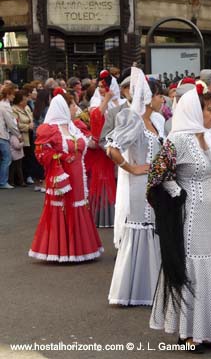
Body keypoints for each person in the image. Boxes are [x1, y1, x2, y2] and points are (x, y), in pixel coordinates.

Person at [148, 85, 211, 351]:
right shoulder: (178, 141)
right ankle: (187, 334)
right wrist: (177, 194)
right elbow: (156, 176)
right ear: (195, 111)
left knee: (210, 262)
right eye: (209, 109)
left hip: (210, 209)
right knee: (193, 266)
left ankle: (208, 330)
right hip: (190, 213)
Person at [106, 68, 165, 306]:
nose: (164, 100)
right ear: (150, 97)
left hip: (154, 185)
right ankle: (133, 290)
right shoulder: (134, 118)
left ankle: (151, 287)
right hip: (140, 186)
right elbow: (111, 147)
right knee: (140, 230)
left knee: (153, 229)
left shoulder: (155, 120)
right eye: (161, 95)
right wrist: (131, 168)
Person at [29, 89, 103, 262]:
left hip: (78, 175)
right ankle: (63, 250)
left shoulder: (74, 126)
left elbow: (91, 144)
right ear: (63, 107)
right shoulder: (50, 130)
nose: (75, 108)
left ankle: (79, 249)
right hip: (61, 175)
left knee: (79, 205)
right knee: (63, 207)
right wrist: (60, 157)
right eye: (71, 105)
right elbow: (41, 155)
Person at [86, 70, 121, 228]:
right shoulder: (95, 102)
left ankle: (114, 215)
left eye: (105, 86)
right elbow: (95, 117)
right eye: (99, 86)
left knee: (115, 179)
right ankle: (101, 216)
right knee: (102, 178)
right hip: (101, 149)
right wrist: (106, 99)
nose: (101, 89)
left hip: (117, 146)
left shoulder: (119, 102)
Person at [0, 84, 20, 189]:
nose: (14, 97)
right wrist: (18, 135)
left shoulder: (2, 104)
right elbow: (10, 124)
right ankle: (3, 182)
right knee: (7, 158)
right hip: (2, 135)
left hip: (2, 134)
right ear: (8, 95)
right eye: (12, 95)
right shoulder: (5, 106)